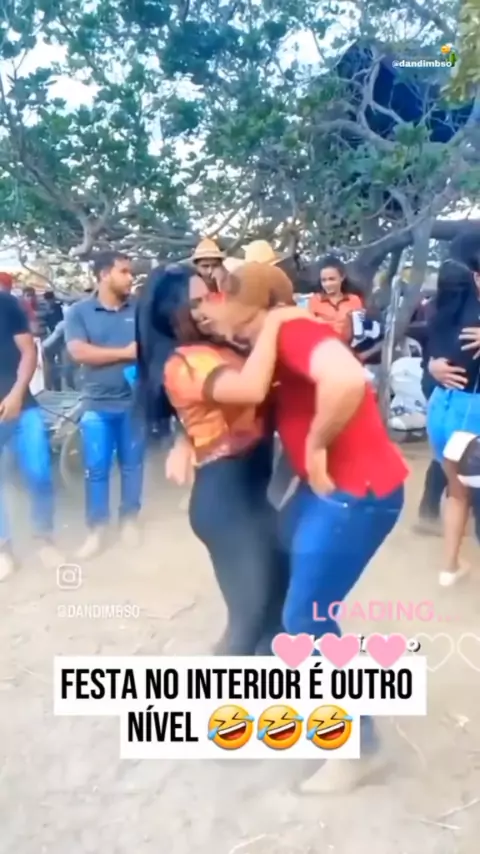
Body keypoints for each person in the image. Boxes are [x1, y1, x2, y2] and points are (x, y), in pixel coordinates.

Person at [197, 262, 408, 793]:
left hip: (355, 494)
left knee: (304, 617)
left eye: (220, 298)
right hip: (331, 493)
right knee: (286, 585)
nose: (212, 308)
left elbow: (347, 379)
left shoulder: (292, 331)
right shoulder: (274, 334)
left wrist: (315, 443)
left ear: (249, 304)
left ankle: (359, 748)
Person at [135, 265, 291, 654]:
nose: (207, 307)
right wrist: (274, 323)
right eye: (195, 302)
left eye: (210, 295)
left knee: (276, 608)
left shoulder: (222, 346)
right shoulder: (186, 362)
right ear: (170, 314)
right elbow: (250, 390)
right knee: (250, 618)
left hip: (253, 495)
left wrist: (186, 439)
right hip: (226, 503)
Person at [65, 251, 145, 559]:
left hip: (134, 404)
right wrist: (126, 353)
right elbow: (79, 352)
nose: (130, 277)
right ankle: (97, 529)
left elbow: (150, 347)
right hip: (96, 405)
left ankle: (129, 520)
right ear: (103, 274)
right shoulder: (80, 312)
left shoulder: (139, 310)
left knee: (132, 465)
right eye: (124, 271)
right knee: (96, 468)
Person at [0, 290, 62, 580]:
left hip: (22, 406)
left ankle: (44, 538)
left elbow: (28, 351)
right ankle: (4, 549)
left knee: (39, 473)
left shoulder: (5, 303)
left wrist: (16, 394)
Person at [426, 258, 480, 584]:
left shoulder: (441, 314)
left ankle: (449, 567)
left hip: (442, 409)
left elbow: (435, 355)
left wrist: (431, 365)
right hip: (470, 414)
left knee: (457, 492)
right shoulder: (475, 322)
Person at [309, 255, 364, 340]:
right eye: (324, 280)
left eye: (332, 279)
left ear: (342, 277)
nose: (327, 284)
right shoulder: (315, 300)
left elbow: (358, 329)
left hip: (348, 346)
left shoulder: (354, 300)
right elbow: (310, 329)